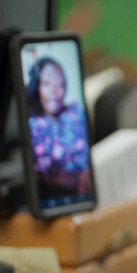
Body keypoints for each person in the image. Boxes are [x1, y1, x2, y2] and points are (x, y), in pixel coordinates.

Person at [25, 55, 92, 197]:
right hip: (54, 196)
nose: (54, 91)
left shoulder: (76, 113)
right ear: (36, 86)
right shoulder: (33, 125)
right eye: (47, 84)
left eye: (60, 84)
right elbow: (46, 175)